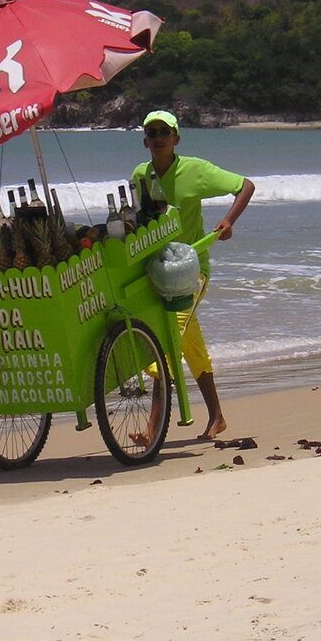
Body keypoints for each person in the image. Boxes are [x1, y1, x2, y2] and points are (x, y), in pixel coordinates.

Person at [131, 109, 255, 441]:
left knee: (167, 339)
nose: (158, 138)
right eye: (152, 133)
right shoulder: (140, 176)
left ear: (176, 139)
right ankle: (217, 417)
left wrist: (229, 221)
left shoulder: (195, 170)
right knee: (190, 344)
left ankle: (152, 428)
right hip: (158, 272)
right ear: (145, 140)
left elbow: (245, 185)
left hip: (190, 271)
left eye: (164, 133)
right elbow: (141, 223)